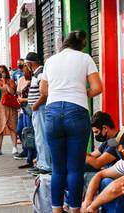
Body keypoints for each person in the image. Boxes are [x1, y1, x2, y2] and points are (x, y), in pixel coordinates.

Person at [40, 30, 102, 212]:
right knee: (75, 168)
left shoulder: (51, 60)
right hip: (77, 112)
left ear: (64, 43)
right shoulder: (85, 58)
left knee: (58, 169)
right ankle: (75, 209)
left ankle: (57, 210)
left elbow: (44, 90)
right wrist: (81, 94)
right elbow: (97, 88)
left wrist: (59, 95)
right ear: (81, 45)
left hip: (52, 113)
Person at [25, 52, 52, 176]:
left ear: (30, 63)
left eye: (26, 64)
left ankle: (45, 165)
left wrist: (35, 105)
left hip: (40, 109)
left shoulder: (40, 73)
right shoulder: (37, 74)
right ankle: (41, 163)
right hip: (38, 109)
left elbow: (45, 93)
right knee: (39, 137)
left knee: (42, 137)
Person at [0, 65, 18, 156]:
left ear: (6, 72)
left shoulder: (10, 81)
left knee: (12, 125)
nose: (1, 73)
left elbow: (12, 93)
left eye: (3, 71)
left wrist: (5, 84)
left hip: (9, 106)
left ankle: (14, 147)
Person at [14, 63, 37, 169]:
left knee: (30, 133)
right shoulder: (24, 80)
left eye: (25, 71)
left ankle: (31, 159)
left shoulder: (35, 80)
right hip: (24, 110)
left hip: (30, 110)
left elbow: (37, 97)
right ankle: (29, 155)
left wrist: (24, 100)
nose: (23, 73)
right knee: (21, 131)